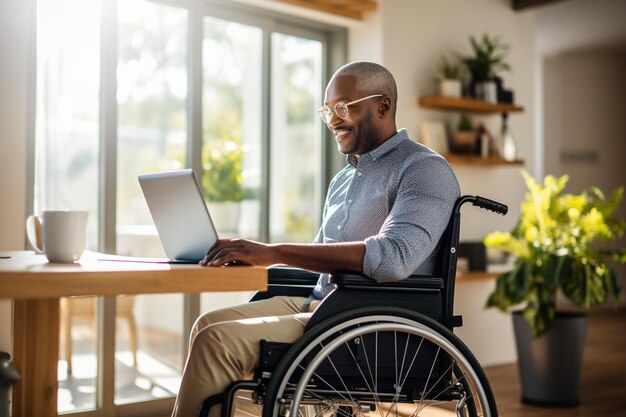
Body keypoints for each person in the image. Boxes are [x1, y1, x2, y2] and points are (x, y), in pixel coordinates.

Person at [172, 61, 460, 417]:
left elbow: (393, 257)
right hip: (322, 303)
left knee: (215, 342)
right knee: (208, 325)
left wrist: (272, 250)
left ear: (383, 105)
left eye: (343, 107)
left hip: (365, 319)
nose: (333, 120)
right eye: (328, 111)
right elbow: (322, 255)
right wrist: (257, 255)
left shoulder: (423, 169)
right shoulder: (343, 180)